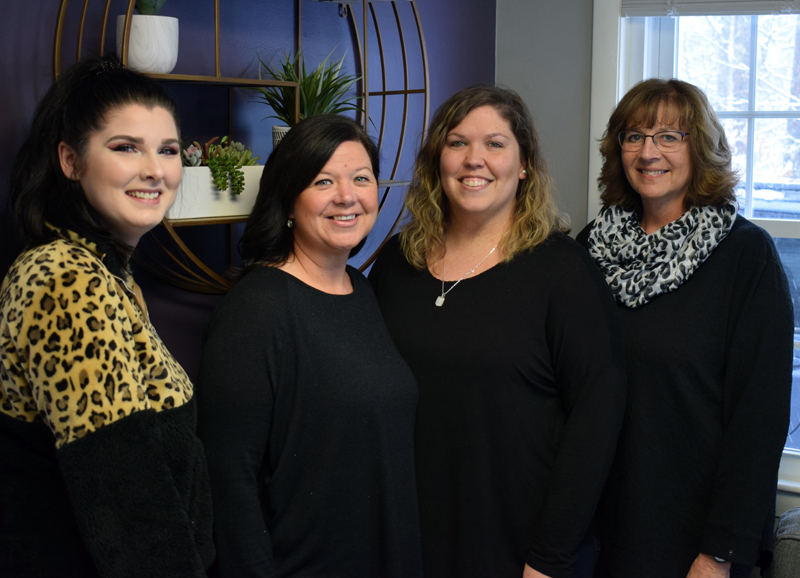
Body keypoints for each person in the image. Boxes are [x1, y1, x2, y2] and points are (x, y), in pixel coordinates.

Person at [368, 85, 627, 578]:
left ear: (524, 163)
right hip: (409, 541)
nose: (474, 160)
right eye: (457, 142)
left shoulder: (563, 273)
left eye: (495, 144)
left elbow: (596, 421)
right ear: (436, 160)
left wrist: (549, 558)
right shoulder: (396, 265)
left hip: (520, 550)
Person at [0, 54, 214, 577]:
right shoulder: (66, 279)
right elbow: (127, 502)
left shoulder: (105, 271)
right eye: (125, 148)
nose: (154, 170)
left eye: (166, 150)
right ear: (70, 161)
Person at [576, 78, 793, 578]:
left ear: (702, 149)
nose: (649, 151)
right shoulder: (593, 245)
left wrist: (719, 553)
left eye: (669, 136)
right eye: (634, 136)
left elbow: (758, 418)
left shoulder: (745, 255)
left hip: (696, 539)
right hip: (597, 529)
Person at [196, 114, 423, 578]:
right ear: (288, 200)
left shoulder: (361, 291)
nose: (347, 196)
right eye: (323, 180)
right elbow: (228, 479)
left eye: (361, 178)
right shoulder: (257, 309)